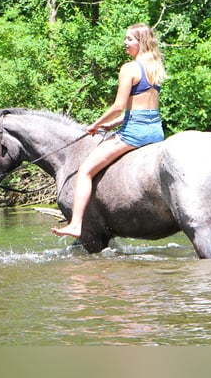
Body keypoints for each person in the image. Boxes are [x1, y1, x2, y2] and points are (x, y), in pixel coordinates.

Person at [52, 23, 166, 238]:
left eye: (129, 39)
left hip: (135, 133)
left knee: (85, 170)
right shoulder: (155, 67)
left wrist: (95, 124)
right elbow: (142, 107)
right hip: (155, 131)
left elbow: (118, 106)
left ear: (140, 42)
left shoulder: (130, 68)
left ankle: (76, 224)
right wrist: (112, 125)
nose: (125, 43)